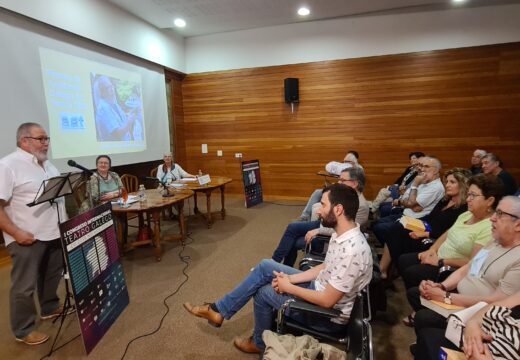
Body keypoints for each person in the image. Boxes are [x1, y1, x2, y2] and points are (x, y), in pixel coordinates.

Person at [183, 184, 373, 354]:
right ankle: (218, 310)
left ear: (338, 209)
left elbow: (327, 301)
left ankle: (259, 343)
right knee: (266, 266)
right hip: (319, 286)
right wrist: (290, 280)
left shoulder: (351, 251)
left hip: (328, 319)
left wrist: (288, 287)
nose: (318, 211)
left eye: (323, 205)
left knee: (263, 293)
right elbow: (325, 267)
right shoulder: (342, 234)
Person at [407, 196, 520, 348]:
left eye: (499, 213)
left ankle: (428, 345)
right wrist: (442, 287)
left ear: (518, 224)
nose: (492, 218)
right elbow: (467, 268)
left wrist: (446, 297)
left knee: (424, 318)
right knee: (417, 293)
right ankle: (424, 344)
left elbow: (497, 302)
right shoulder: (495, 240)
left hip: (475, 311)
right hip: (458, 295)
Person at [399, 174, 503, 326]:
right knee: (404, 260)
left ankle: (422, 309)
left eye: (473, 195)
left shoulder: (488, 227)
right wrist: (432, 250)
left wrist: (439, 261)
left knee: (412, 272)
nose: (468, 199)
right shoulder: (467, 213)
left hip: (451, 267)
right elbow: (448, 233)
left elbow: (471, 263)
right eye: (468, 195)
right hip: (439, 256)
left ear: (490, 201)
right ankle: (421, 306)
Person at [0, 123, 69, 345]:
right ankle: (23, 329)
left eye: (47, 138)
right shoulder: (8, 165)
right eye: (41, 139)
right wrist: (15, 232)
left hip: (53, 232)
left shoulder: (48, 165)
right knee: (24, 285)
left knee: (51, 275)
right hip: (26, 237)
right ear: (24, 141)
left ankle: (49, 307)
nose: (46, 143)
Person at [378, 168, 471, 280]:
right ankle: (387, 269)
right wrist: (413, 222)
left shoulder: (464, 208)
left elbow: (449, 231)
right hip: (426, 228)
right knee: (397, 227)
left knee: (397, 231)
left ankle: (386, 269)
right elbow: (429, 217)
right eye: (447, 182)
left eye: (452, 182)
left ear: (463, 185)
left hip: (434, 238)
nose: (447, 185)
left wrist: (425, 233)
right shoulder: (445, 200)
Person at [271, 167, 369, 266]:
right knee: (292, 227)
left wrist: (318, 231)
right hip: (325, 226)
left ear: (354, 183)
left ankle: (277, 266)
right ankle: (275, 263)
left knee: (294, 242)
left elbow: (345, 231)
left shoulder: (361, 206)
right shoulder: (347, 196)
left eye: (342, 180)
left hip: (327, 238)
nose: (339, 182)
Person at [372, 156, 446, 277]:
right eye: (421, 166)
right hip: (406, 213)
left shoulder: (435, 186)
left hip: (418, 220)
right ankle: (392, 261)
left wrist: (415, 186)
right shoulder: (424, 181)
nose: (422, 169)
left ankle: (386, 267)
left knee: (390, 230)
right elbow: (406, 199)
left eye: (426, 166)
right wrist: (410, 202)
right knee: (377, 225)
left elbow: (412, 203)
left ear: (436, 170)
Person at [414, 290, 520, 360]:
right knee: (426, 335)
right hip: (482, 336)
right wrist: (472, 323)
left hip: (490, 350)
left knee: (425, 324)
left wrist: (446, 296)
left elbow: (493, 299)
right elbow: (499, 303)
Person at [300, 150, 362, 221]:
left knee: (320, 198)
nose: (345, 164)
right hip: (340, 189)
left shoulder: (358, 170)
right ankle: (305, 215)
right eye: (344, 161)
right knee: (318, 192)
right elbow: (335, 172)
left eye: (347, 162)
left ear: (354, 161)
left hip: (346, 194)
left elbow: (350, 185)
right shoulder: (345, 169)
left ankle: (310, 218)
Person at [93, 75, 136, 141]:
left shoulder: (112, 102)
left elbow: (122, 122)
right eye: (107, 87)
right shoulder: (103, 108)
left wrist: (131, 115)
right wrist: (129, 122)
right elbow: (117, 134)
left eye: (111, 85)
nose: (111, 88)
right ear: (101, 92)